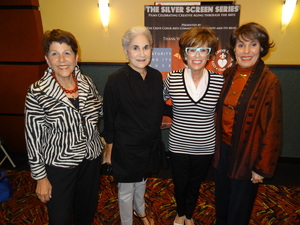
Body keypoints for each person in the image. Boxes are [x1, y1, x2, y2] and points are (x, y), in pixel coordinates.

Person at [24, 29, 103, 225]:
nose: (61, 59)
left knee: (86, 211)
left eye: (67, 53)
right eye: (54, 53)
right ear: (47, 59)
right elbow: (33, 138)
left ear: (76, 57)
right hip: (59, 165)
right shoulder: (37, 92)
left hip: (90, 160)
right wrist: (40, 178)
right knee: (60, 217)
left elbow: (100, 110)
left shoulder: (87, 83)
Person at [213, 22, 283, 225]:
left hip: (248, 155)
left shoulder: (269, 82)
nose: (246, 51)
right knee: (223, 197)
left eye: (252, 44)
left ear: (261, 48)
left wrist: (261, 168)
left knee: (239, 205)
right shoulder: (229, 74)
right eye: (241, 45)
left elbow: (273, 128)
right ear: (233, 49)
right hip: (225, 149)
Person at [103, 26, 167, 225]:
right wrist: (109, 151)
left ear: (151, 50)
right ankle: (126, 222)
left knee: (142, 183)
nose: (141, 53)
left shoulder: (157, 76)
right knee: (125, 190)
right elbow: (109, 118)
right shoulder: (115, 80)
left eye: (146, 47)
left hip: (149, 144)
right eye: (135, 48)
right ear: (126, 51)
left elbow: (160, 108)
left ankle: (141, 212)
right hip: (126, 147)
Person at [163, 27, 224, 225]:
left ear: (210, 54)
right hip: (179, 144)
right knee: (180, 184)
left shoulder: (218, 81)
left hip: (205, 146)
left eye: (203, 50)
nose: (197, 55)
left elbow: (222, 112)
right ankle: (180, 213)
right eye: (192, 49)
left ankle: (189, 214)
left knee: (195, 184)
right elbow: (157, 104)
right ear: (184, 54)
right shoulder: (172, 79)